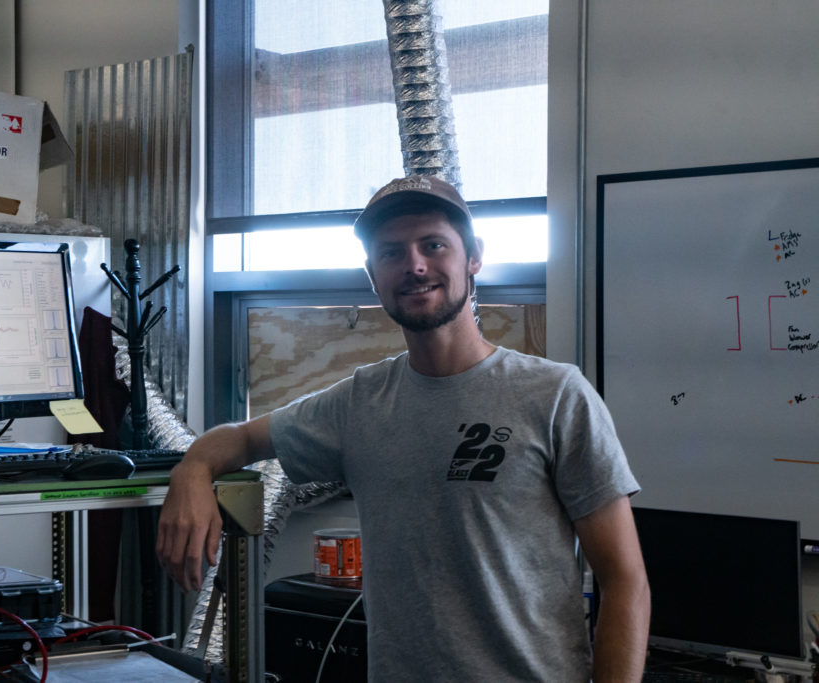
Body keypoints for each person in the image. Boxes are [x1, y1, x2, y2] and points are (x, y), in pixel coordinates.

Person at [157, 176, 651, 681]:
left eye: (433, 245)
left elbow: (623, 579)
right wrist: (192, 469)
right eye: (392, 253)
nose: (414, 265)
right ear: (374, 275)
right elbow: (239, 439)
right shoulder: (359, 403)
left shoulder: (555, 396)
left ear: (473, 256)